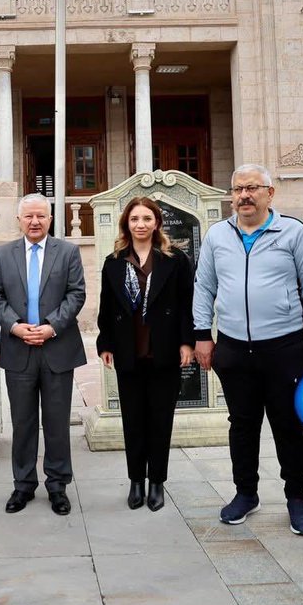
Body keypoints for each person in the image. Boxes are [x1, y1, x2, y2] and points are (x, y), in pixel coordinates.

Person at [193, 164, 303, 536]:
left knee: (288, 424)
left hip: (283, 346)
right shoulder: (218, 235)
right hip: (234, 348)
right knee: (242, 425)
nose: (244, 196)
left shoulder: (293, 231)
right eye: (238, 189)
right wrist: (202, 334)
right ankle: (245, 492)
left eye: (252, 188)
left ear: (271, 193)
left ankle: (297, 497)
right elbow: (204, 287)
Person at [0, 194, 87, 516]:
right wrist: (15, 327)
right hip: (19, 350)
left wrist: (51, 326)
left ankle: (57, 485)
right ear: (19, 220)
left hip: (57, 348)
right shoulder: (4, 254)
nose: (34, 222)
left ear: (50, 219)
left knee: (57, 423)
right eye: (29, 216)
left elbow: (77, 293)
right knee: (23, 422)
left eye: (41, 217)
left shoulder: (68, 252)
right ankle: (23, 485)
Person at [96, 197, 195, 512]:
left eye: (147, 219)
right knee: (133, 421)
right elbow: (107, 308)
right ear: (127, 223)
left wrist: (186, 342)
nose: (140, 225)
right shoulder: (114, 261)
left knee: (160, 420)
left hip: (163, 350)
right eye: (135, 219)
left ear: (157, 223)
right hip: (128, 351)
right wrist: (105, 343)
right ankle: (136, 481)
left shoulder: (175, 259)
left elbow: (185, 305)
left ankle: (157, 483)